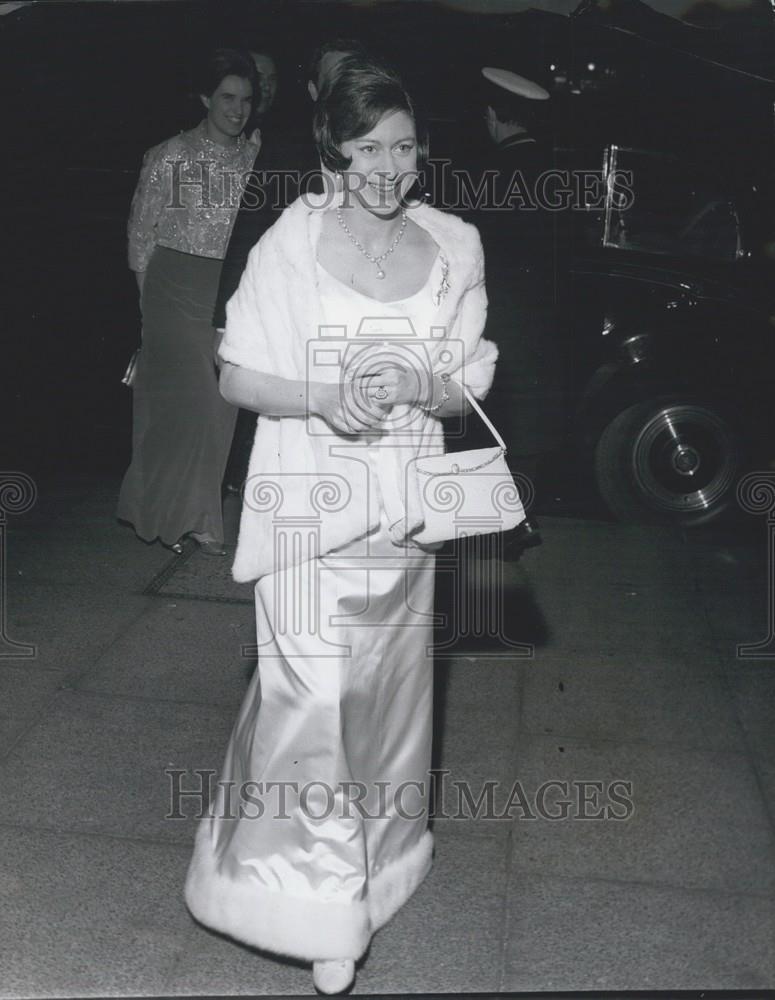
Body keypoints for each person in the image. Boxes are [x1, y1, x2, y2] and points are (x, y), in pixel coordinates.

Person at [184, 60, 497, 993]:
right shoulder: (290, 240)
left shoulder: (455, 245)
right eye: (368, 148)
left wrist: (420, 385)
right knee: (309, 697)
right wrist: (322, 397)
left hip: (399, 507)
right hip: (307, 508)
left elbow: (470, 379)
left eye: (403, 147)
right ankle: (312, 905)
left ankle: (386, 860)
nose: (388, 167)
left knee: (386, 702)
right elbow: (236, 375)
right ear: (333, 150)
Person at [215, 39, 373, 496]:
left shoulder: (382, 145)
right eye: (332, 76)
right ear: (313, 89)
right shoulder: (285, 149)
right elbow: (249, 229)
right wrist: (223, 320)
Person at [117, 49, 259, 555]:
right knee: (188, 405)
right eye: (227, 97)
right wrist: (146, 307)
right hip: (170, 290)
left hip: (225, 290)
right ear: (205, 97)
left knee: (222, 404)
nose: (237, 110)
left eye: (245, 100)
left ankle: (193, 513)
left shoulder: (256, 157)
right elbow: (141, 234)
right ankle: (180, 518)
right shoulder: (170, 154)